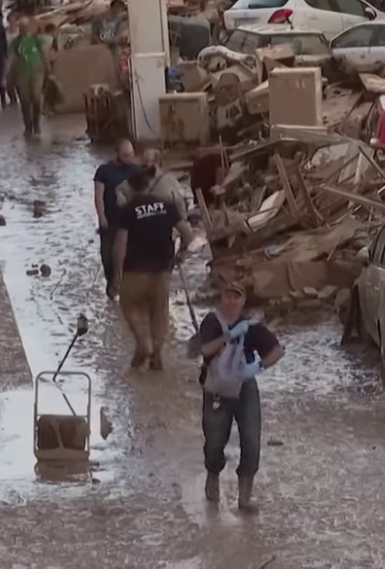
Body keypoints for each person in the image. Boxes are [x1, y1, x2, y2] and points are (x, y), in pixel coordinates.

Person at [199, 282, 284, 510]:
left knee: (251, 440)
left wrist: (257, 367)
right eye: (228, 297)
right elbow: (204, 350)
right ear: (222, 298)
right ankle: (212, 475)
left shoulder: (251, 326)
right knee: (215, 441)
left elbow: (277, 351)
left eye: (236, 297)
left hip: (244, 387)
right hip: (216, 389)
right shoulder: (211, 322)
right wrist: (228, 336)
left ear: (243, 300)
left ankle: (245, 497)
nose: (232, 302)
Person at [113, 166, 193, 370]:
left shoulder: (128, 210)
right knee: (159, 311)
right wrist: (182, 253)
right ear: (150, 185)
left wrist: (116, 276)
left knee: (130, 308)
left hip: (134, 272)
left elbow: (120, 246)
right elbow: (188, 234)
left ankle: (143, 344)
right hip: (161, 271)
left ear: (131, 189)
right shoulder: (168, 206)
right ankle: (156, 351)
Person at [94, 139, 139, 297]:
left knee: (129, 257)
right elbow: (98, 196)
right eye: (126, 155)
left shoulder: (136, 170)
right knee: (107, 257)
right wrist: (101, 217)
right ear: (117, 153)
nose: (129, 158)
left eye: (132, 155)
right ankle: (111, 287)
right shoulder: (104, 171)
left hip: (131, 223)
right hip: (110, 221)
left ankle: (124, 289)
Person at [116, 147, 187, 220]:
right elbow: (120, 189)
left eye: (147, 161)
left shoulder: (170, 181)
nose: (143, 164)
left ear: (157, 162)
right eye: (142, 160)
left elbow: (180, 206)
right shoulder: (136, 180)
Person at [10, 17, 46, 135]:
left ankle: (36, 123)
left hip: (36, 72)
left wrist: (48, 69)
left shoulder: (36, 40)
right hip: (22, 74)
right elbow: (10, 58)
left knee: (36, 98)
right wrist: (5, 75)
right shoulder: (15, 42)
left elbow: (44, 54)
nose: (24, 29)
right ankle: (28, 125)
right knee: (24, 101)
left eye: (26, 27)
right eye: (22, 27)